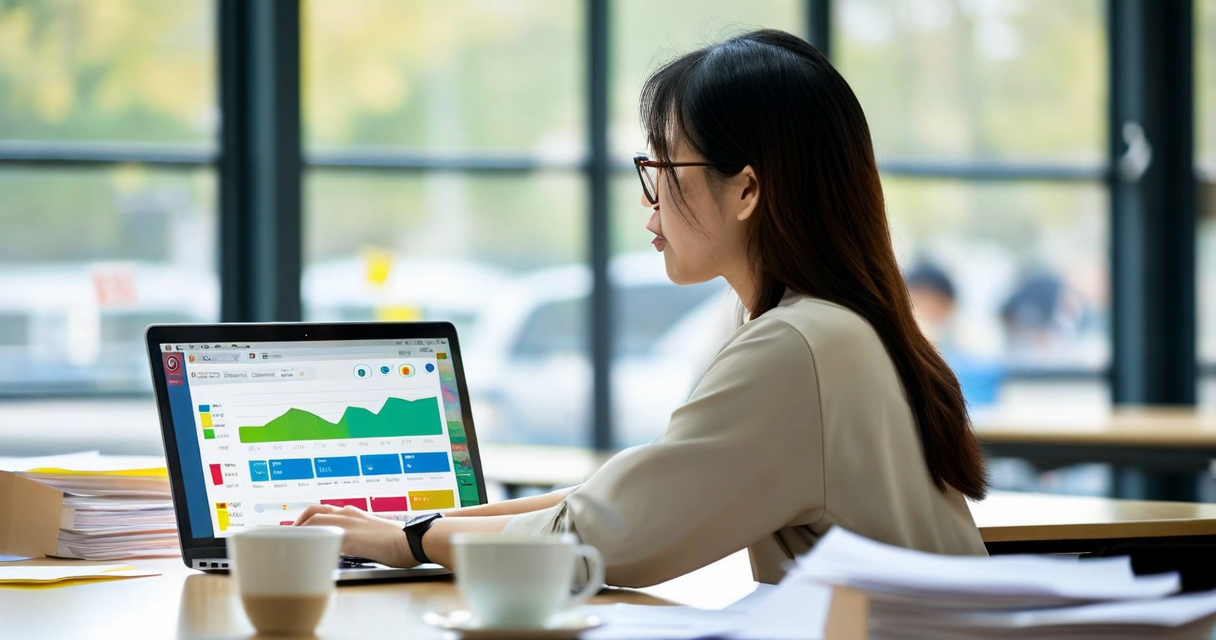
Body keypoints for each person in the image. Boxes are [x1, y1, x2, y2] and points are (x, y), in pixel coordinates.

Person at [296, 29, 989, 587]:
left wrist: (408, 540)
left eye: (662, 168)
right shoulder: (834, 328)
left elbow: (600, 540)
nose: (647, 199)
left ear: (747, 191)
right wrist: (425, 524)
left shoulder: (799, 347)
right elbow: (614, 499)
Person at [904, 260, 1003, 407]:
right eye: (914, 306)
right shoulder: (905, 356)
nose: (920, 316)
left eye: (928, 306)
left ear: (948, 304)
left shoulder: (973, 355)